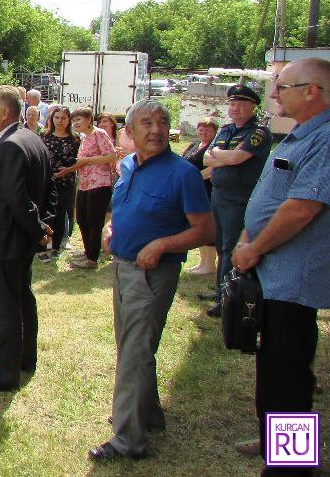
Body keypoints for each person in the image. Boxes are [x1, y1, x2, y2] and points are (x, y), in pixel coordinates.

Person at [88, 99, 213, 461]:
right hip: (123, 267)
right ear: (128, 133)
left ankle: (129, 439)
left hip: (153, 273)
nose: (156, 129)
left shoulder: (183, 173)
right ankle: (148, 413)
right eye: (146, 123)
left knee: (134, 352)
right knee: (134, 347)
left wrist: (162, 244)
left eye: (162, 122)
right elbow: (124, 207)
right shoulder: (128, 164)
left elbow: (205, 230)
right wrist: (112, 227)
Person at [231, 58, 330, 467]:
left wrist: (254, 248)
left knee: (287, 377)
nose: (274, 93)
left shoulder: (324, 139)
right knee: (273, 371)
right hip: (272, 277)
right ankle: (274, 441)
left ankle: (290, 465)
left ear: (312, 91)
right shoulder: (301, 136)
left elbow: (301, 208)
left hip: (291, 281)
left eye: (282, 86)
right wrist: (246, 235)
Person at [0, 86, 55, 392]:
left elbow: (18, 199)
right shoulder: (32, 139)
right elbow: (48, 191)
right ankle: (23, 358)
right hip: (18, 242)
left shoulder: (12, 146)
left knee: (4, 309)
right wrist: (42, 226)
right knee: (21, 300)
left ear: (5, 112)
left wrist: (38, 227)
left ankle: (6, 373)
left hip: (5, 242)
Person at [201, 83, 271, 317]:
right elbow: (207, 159)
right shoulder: (225, 130)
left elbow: (239, 157)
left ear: (253, 106)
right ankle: (222, 289)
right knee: (221, 243)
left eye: (241, 104)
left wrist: (223, 156)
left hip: (238, 197)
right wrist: (226, 158)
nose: (235, 109)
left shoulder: (258, 132)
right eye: (232, 104)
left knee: (232, 246)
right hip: (219, 194)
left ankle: (228, 297)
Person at [58, 107, 119, 268]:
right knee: (82, 219)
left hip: (100, 183)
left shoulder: (99, 134)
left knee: (94, 220)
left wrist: (87, 161)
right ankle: (87, 252)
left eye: (79, 119)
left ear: (89, 120)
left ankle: (92, 258)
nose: (76, 122)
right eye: (74, 119)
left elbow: (111, 156)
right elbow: (80, 161)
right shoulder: (84, 137)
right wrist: (66, 170)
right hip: (85, 184)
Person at [38, 106, 79, 262]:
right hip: (47, 181)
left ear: (68, 120)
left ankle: (56, 246)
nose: (60, 121)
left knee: (60, 213)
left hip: (65, 181)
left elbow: (79, 162)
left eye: (63, 118)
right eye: (57, 118)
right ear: (51, 119)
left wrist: (67, 170)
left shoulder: (75, 140)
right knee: (45, 213)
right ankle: (41, 248)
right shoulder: (44, 137)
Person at [182, 117, 218, 275]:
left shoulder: (215, 148)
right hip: (192, 190)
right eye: (201, 129)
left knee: (207, 226)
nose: (204, 132)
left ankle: (209, 265)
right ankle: (202, 263)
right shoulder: (194, 144)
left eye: (208, 129)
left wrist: (194, 179)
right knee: (196, 226)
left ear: (215, 132)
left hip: (206, 189)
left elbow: (212, 170)